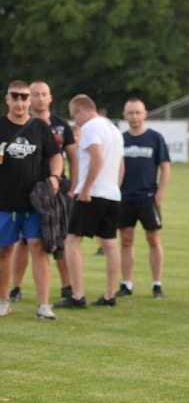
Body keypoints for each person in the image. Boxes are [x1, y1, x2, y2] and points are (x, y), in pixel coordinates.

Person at [9, 81, 78, 303]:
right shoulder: (22, 125)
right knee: (23, 242)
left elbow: (72, 158)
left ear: (50, 97)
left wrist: (71, 189)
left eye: (43, 94)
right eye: (35, 94)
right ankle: (15, 288)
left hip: (55, 192)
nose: (39, 98)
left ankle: (67, 286)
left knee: (57, 240)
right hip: (25, 193)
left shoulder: (60, 126)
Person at [0, 80, 64, 319]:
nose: (19, 102)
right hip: (4, 201)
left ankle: (43, 304)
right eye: (14, 97)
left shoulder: (39, 127)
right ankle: (3, 300)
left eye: (24, 97)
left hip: (35, 202)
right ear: (7, 99)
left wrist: (55, 178)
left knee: (39, 248)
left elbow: (56, 156)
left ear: (29, 101)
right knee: (4, 250)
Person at [54, 94, 125, 309]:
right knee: (110, 244)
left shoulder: (91, 128)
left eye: (75, 116)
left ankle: (77, 296)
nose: (76, 121)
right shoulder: (114, 129)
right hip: (112, 193)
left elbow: (97, 158)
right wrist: (114, 188)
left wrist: (85, 189)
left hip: (92, 193)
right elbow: (121, 167)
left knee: (71, 241)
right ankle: (110, 295)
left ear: (81, 110)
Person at [115, 98, 171, 300]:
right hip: (125, 198)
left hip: (148, 198)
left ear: (145, 113)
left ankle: (157, 284)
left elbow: (165, 167)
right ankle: (126, 284)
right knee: (126, 241)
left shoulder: (155, 138)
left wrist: (159, 194)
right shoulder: (120, 139)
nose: (134, 116)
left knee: (153, 240)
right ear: (124, 115)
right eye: (130, 113)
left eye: (138, 112)